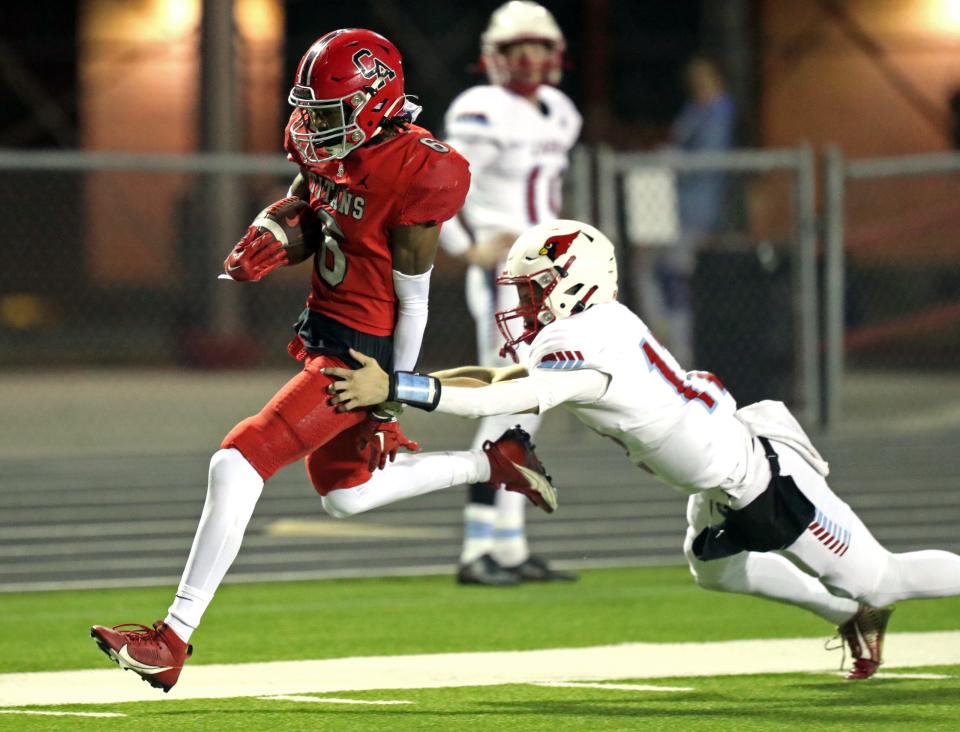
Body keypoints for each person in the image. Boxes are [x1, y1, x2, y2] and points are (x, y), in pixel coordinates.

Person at [87, 29, 550, 694]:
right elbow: (313, 205)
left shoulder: (417, 168)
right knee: (346, 496)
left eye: (329, 112)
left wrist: (392, 395)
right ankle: (494, 461)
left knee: (238, 458)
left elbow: (412, 301)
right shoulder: (327, 145)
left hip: (362, 354)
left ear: (374, 103)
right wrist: (273, 230)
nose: (312, 124)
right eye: (309, 108)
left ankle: (172, 637)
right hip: (331, 329)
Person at [325, 218, 960, 681]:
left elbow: (498, 401)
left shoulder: (586, 344)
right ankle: (844, 611)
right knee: (712, 567)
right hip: (720, 472)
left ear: (575, 282)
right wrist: (408, 387)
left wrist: (401, 387)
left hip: (761, 480)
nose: (522, 304)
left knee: (884, 576)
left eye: (533, 288)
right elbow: (498, 381)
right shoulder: (592, 325)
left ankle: (859, 601)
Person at [439, 0, 582, 586]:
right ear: (493, 56)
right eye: (515, 47)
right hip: (505, 277)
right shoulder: (479, 109)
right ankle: (477, 549)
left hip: (549, 276)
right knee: (507, 402)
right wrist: (462, 247)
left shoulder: (560, 112)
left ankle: (511, 545)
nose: (527, 59)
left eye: (537, 47)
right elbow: (437, 186)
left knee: (532, 406)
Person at [635, 55, 735, 367]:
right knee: (648, 267)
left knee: (672, 272)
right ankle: (661, 333)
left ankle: (679, 348)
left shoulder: (718, 112)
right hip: (670, 201)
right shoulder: (695, 109)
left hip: (693, 206)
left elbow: (703, 160)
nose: (699, 87)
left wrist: (672, 160)